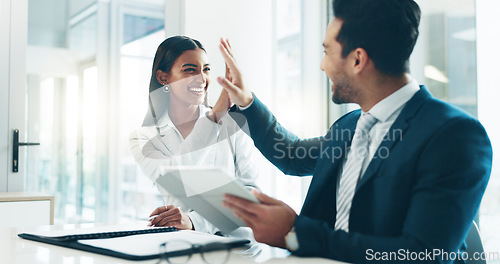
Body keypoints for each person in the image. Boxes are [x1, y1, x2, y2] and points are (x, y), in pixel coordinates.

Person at [216, 0, 493, 263]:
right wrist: (245, 101)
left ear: (358, 60)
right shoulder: (349, 126)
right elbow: (292, 155)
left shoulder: (454, 135)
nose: (322, 65)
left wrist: (295, 233)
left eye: (327, 52)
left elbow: (421, 255)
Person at [129, 36, 258, 237]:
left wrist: (194, 221)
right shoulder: (143, 138)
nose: (201, 78)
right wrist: (213, 117)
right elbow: (175, 182)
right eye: (190, 69)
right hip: (182, 247)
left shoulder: (233, 125)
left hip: (237, 249)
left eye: (206, 69)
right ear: (164, 78)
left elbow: (251, 195)